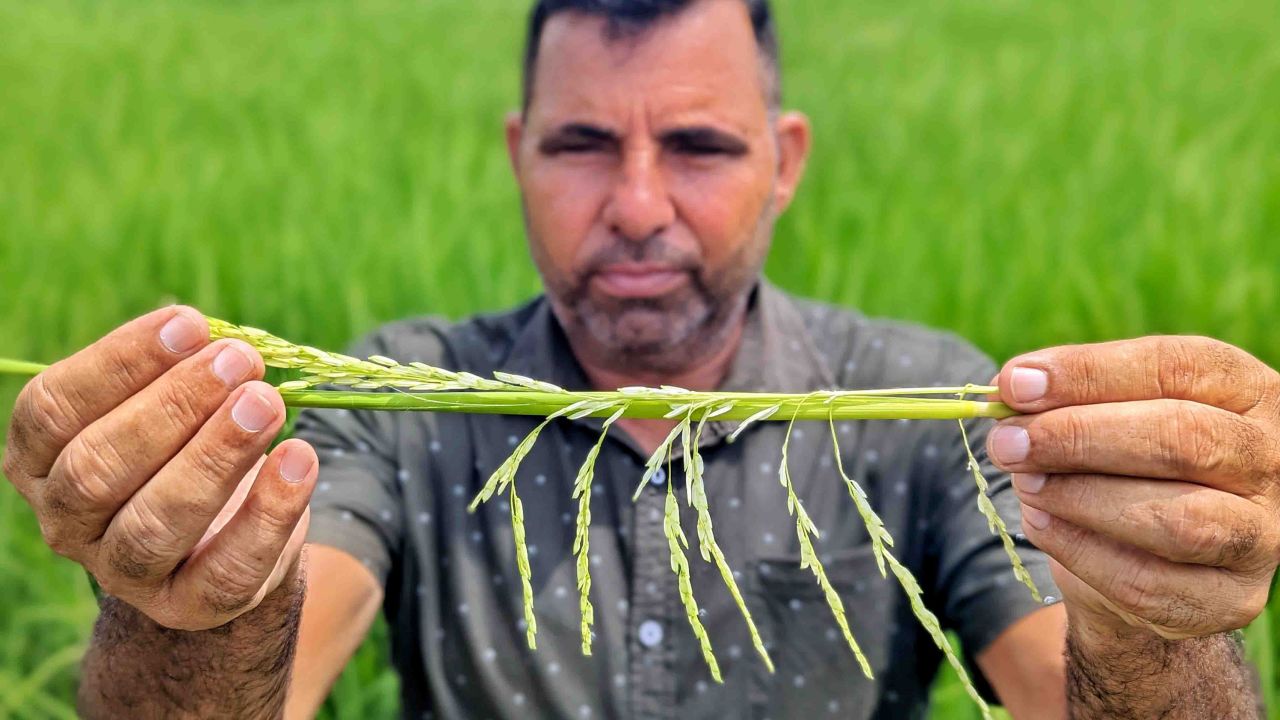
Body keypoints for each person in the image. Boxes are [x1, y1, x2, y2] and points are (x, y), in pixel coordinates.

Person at [4, 0, 1276, 717]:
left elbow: (1073, 694)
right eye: (577, 146)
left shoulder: (924, 404)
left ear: (784, 160)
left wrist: (1150, 625)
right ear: (515, 154)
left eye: (700, 148)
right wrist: (191, 609)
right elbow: (254, 688)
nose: (635, 205)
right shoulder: (398, 404)